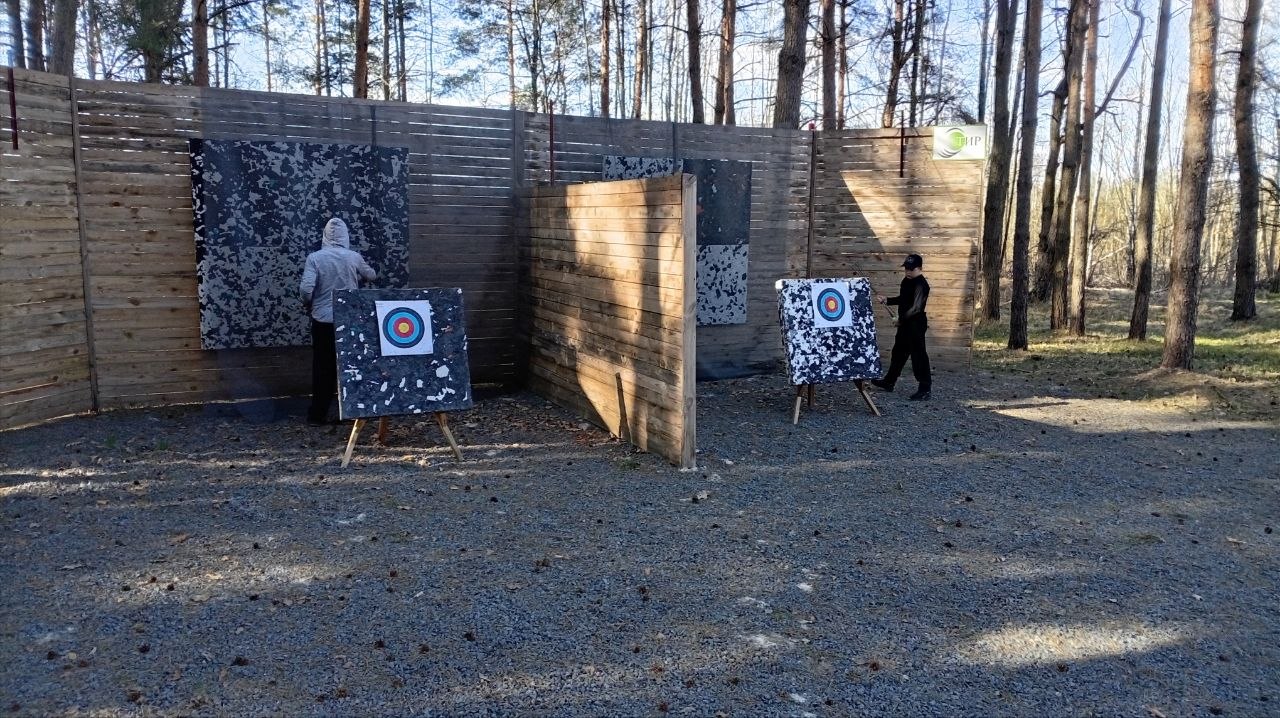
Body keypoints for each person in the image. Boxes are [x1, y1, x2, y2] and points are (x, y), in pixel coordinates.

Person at [299, 217, 376, 424]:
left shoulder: (314, 258)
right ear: (346, 236)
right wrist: (356, 277)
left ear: (325, 236)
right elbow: (371, 275)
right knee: (351, 365)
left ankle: (317, 415)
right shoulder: (353, 257)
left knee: (322, 367)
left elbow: (306, 289)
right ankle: (352, 413)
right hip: (348, 320)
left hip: (322, 320)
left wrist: (309, 303)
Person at [872, 253, 932, 401]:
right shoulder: (906, 281)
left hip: (916, 325)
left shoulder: (922, 285)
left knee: (918, 356)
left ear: (919, 268)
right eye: (906, 268)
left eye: (911, 269)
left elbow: (916, 308)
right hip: (905, 324)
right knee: (898, 353)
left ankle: (925, 389)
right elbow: (903, 299)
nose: (907, 271)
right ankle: (889, 382)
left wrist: (900, 319)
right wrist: (887, 300)